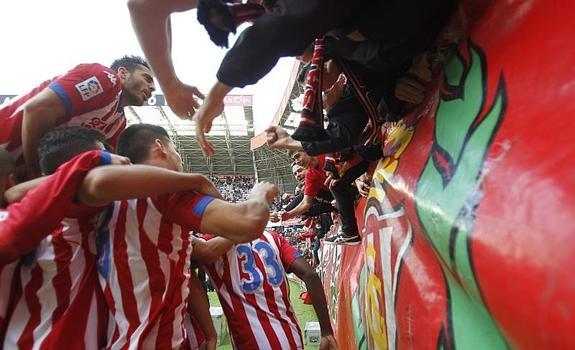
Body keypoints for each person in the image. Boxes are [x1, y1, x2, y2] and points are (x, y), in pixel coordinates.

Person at [2, 127, 227, 349]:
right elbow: (15, 195)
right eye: (104, 167)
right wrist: (95, 160)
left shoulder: (111, 218)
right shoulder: (34, 230)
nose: (115, 171)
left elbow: (194, 265)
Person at [97, 124, 278, 349]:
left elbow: (187, 271)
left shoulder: (109, 202)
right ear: (160, 147)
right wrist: (259, 194)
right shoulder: (167, 193)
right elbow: (249, 223)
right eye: (177, 151)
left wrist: (210, 333)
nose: (179, 159)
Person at [0, 55, 155, 179]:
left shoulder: (119, 122)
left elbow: (102, 163)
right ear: (123, 73)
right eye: (147, 78)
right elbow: (37, 110)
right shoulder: (106, 78)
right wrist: (34, 173)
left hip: (14, 176)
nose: (153, 88)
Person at [198, 229, 339, 349]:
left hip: (251, 342)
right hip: (291, 337)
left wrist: (208, 333)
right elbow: (311, 275)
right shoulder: (273, 237)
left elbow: (186, 257)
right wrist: (326, 331)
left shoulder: (212, 243)